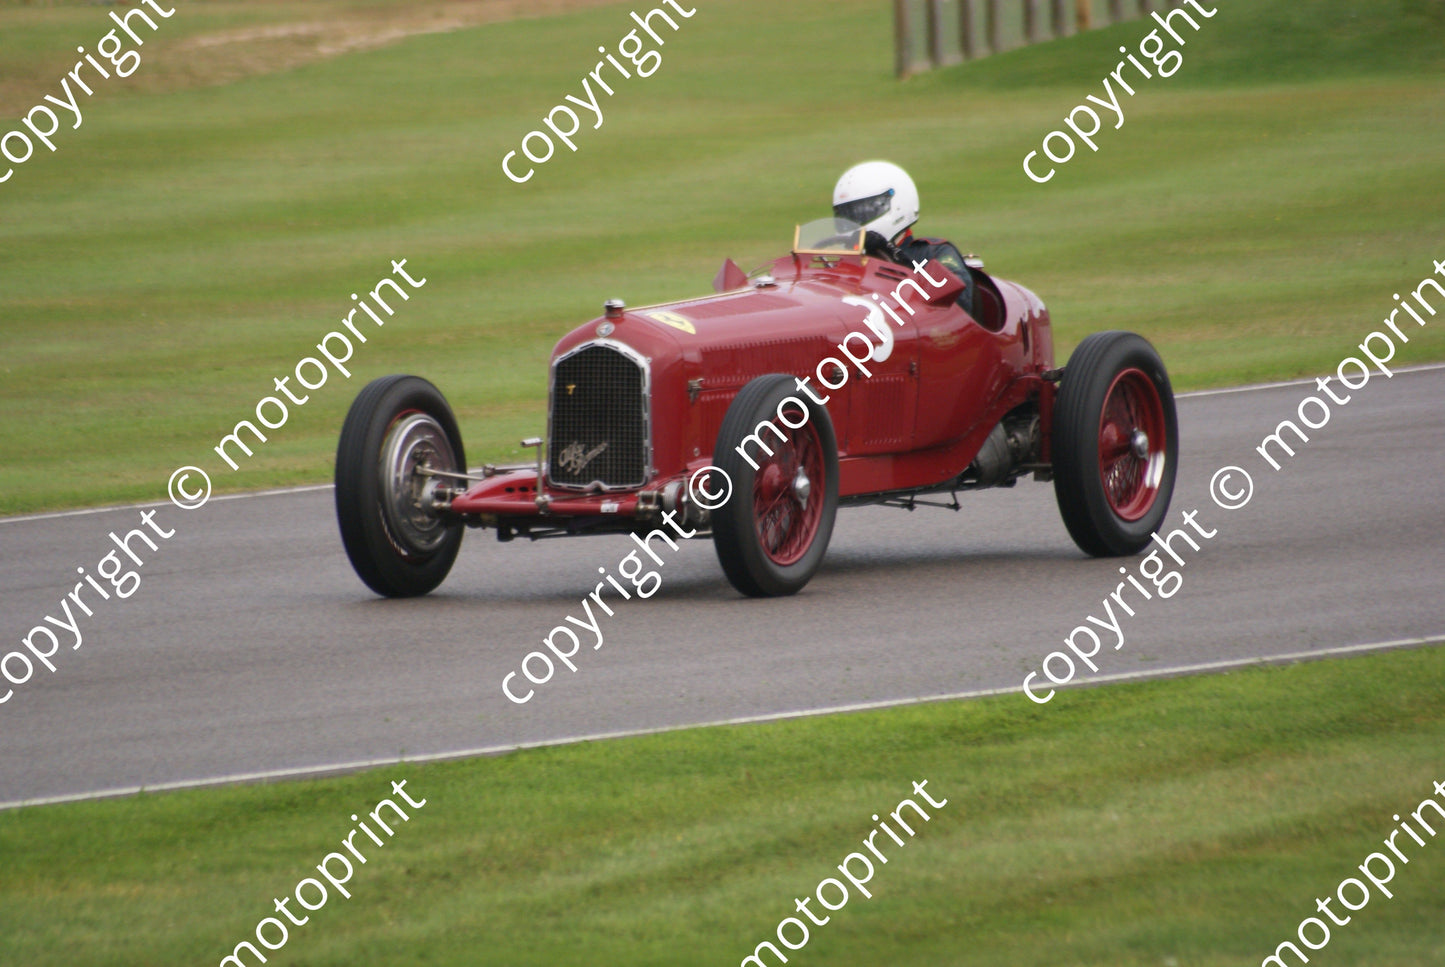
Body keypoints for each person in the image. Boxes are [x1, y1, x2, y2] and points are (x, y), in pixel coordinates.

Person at [831, 160, 975, 316]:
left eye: (862, 213)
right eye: (846, 216)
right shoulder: (843, 264)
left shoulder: (931, 254)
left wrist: (898, 260)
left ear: (898, 204)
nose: (853, 224)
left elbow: (962, 303)